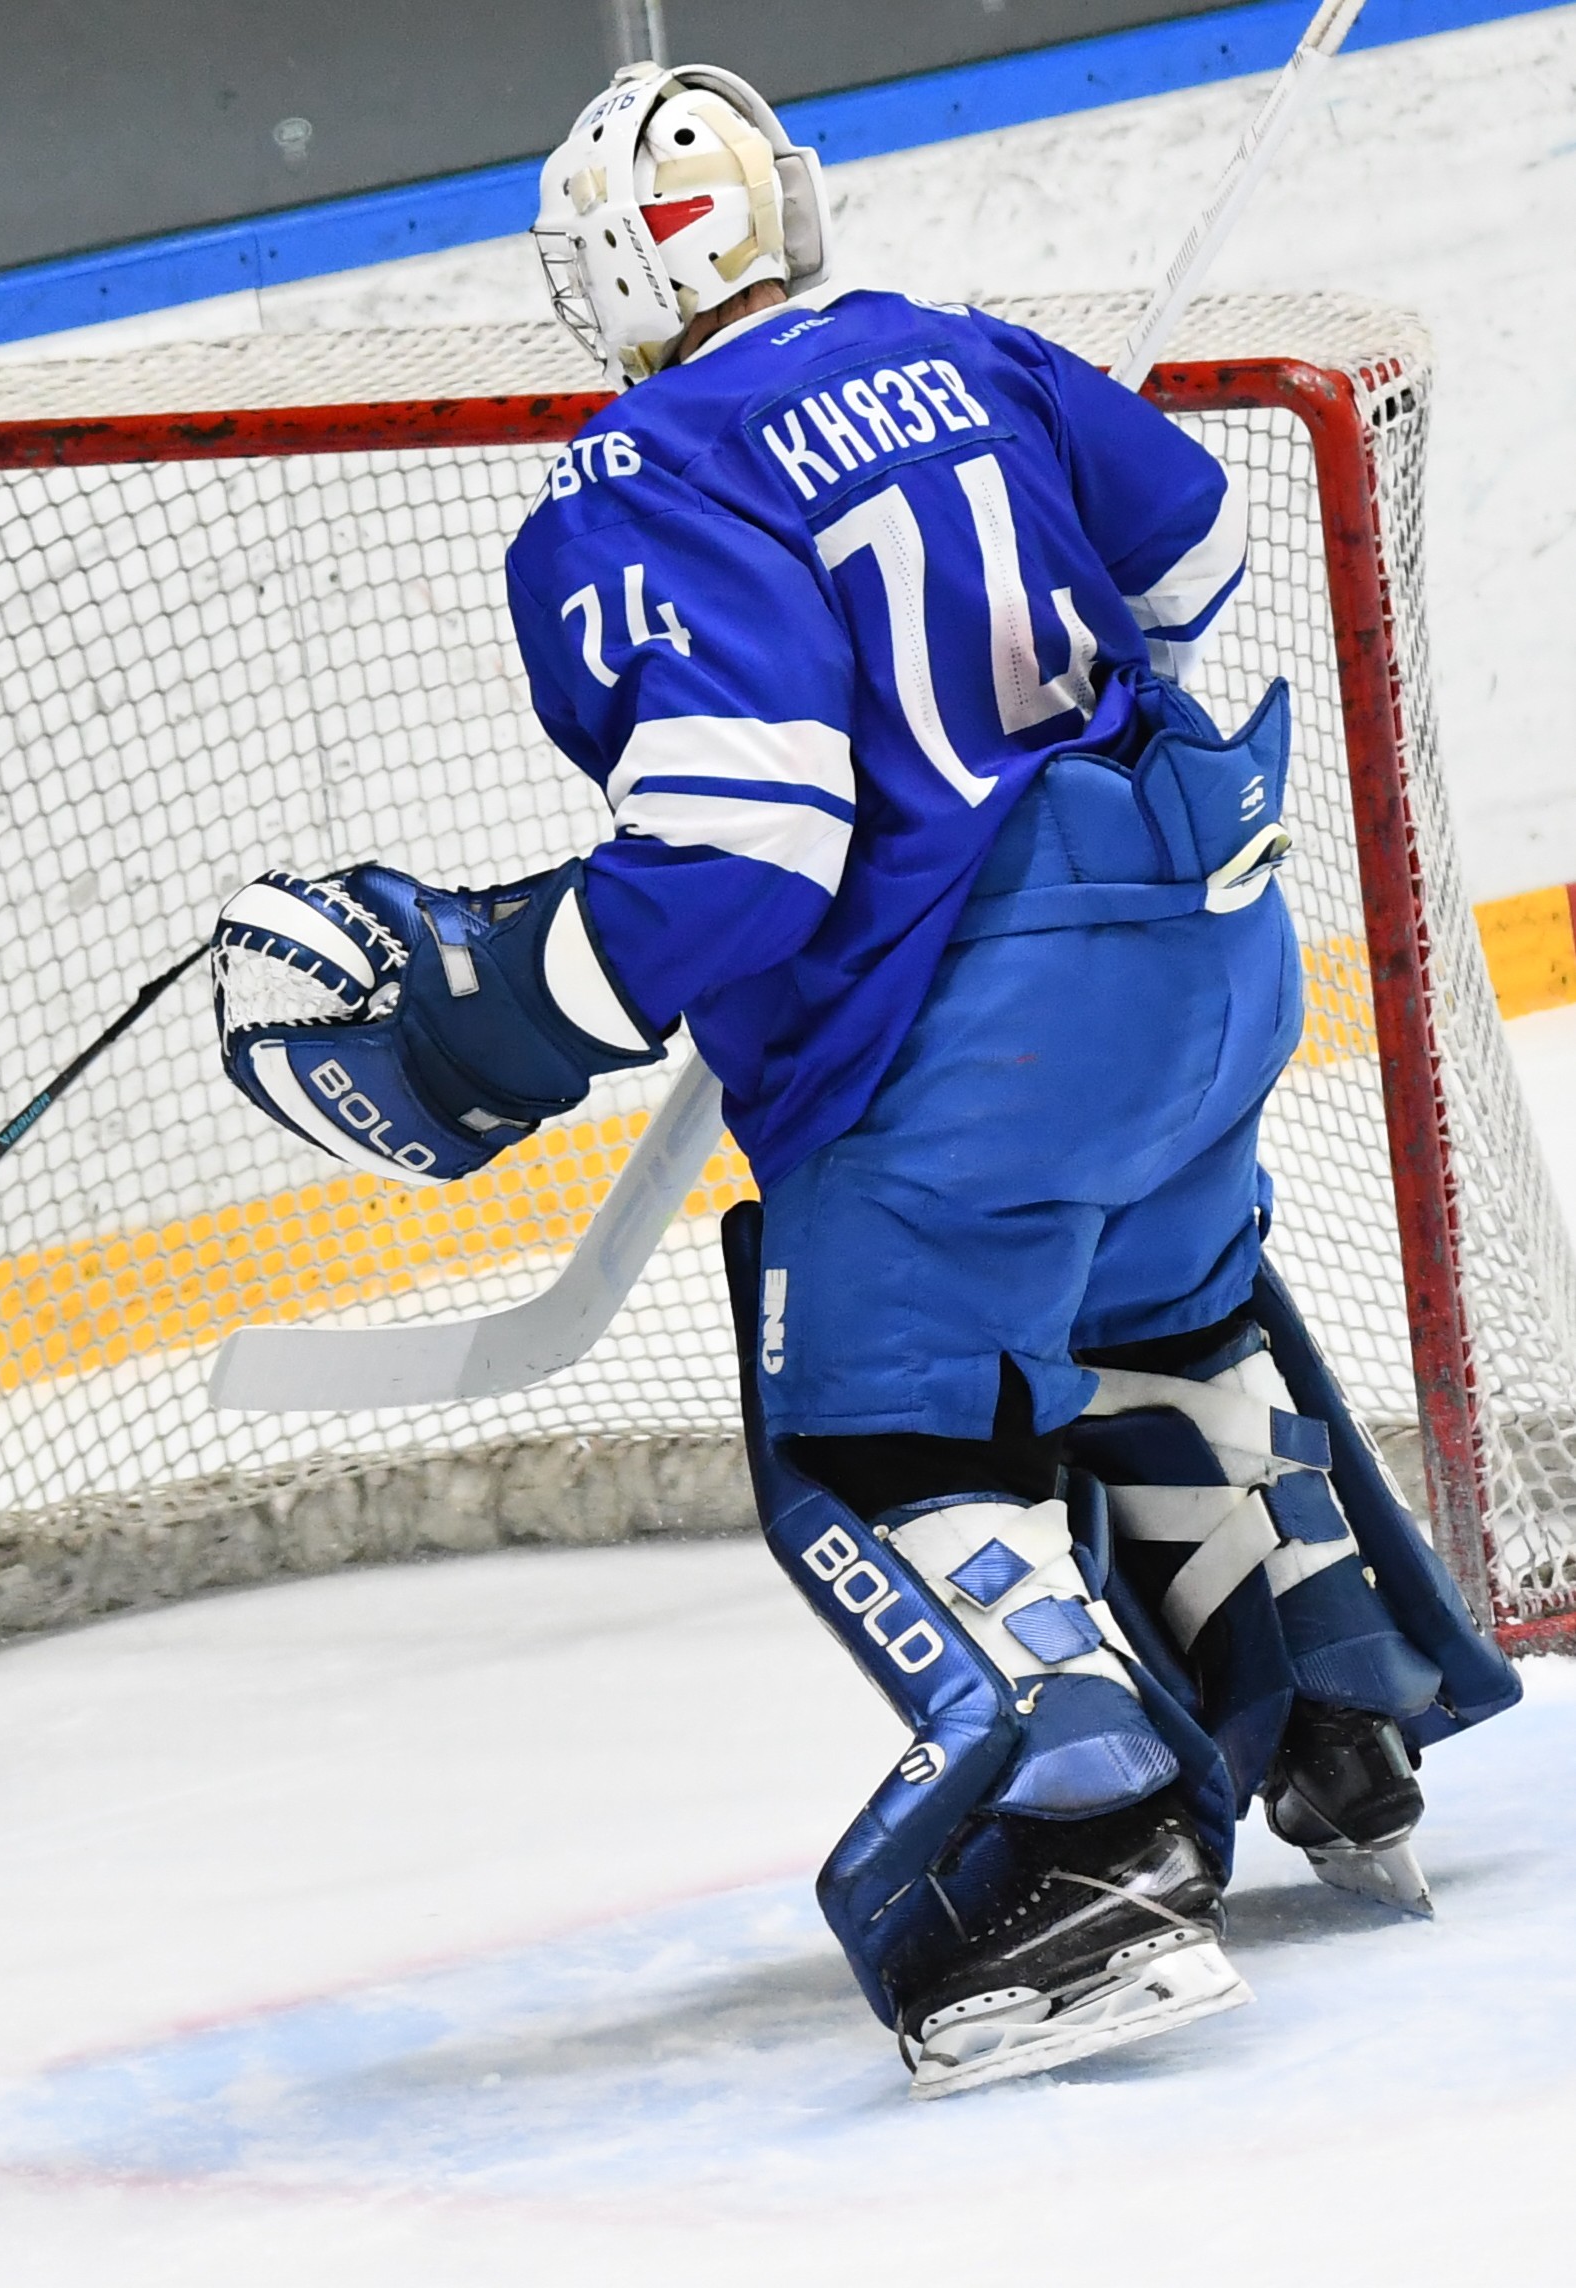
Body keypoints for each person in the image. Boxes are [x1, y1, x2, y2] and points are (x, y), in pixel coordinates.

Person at [205, 61, 1517, 2094]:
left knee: (888, 1440)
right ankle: (1331, 1717)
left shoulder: (639, 473)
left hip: (979, 1033)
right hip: (1205, 937)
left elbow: (741, 853)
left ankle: (1083, 1829)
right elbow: (1181, 565)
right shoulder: (956, 346)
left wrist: (505, 1014)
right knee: (1152, 1312)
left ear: (605, 280)